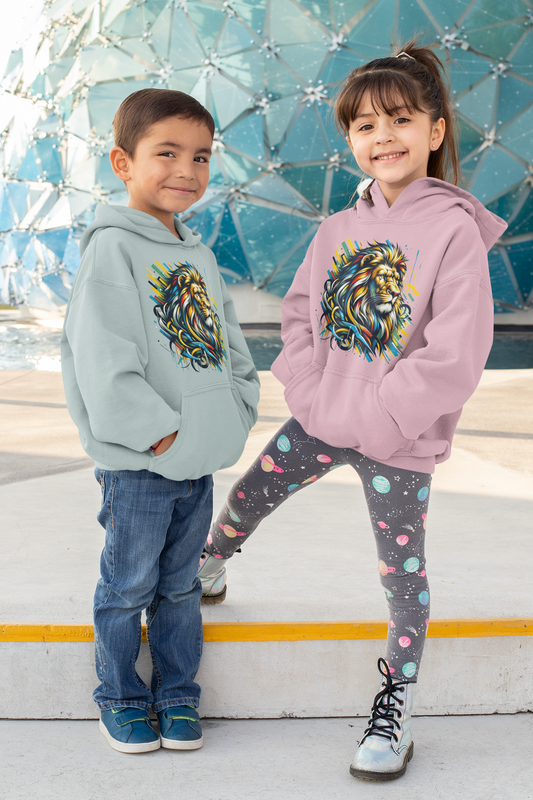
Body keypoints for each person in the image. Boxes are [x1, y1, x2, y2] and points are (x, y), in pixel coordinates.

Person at [197, 41, 506, 779]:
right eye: (365, 126)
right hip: (321, 415)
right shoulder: (337, 227)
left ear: (434, 130)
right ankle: (211, 564)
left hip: (399, 439)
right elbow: (298, 315)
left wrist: (385, 413)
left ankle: (394, 705)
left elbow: (457, 351)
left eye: (400, 120)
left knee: (402, 574)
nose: (382, 137)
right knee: (249, 494)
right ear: (349, 141)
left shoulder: (455, 231)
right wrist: (310, 391)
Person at [61, 89, 259, 754]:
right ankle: (119, 695)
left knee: (179, 589)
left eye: (200, 156)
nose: (186, 170)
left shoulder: (197, 254)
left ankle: (177, 693)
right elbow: (102, 358)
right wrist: (161, 436)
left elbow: (230, 345)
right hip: (141, 466)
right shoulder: (112, 250)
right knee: (127, 589)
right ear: (123, 162)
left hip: (197, 460)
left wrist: (235, 409)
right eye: (167, 153)